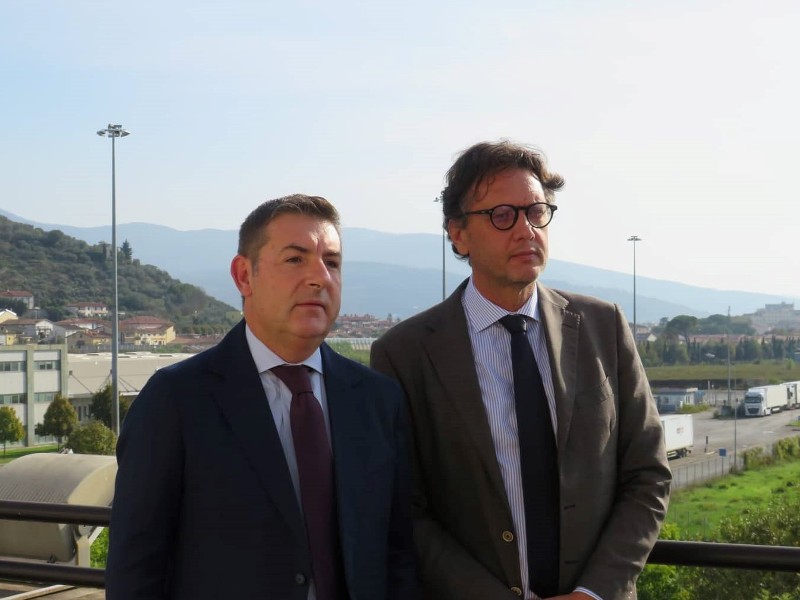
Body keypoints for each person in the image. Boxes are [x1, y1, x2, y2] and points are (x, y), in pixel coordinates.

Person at [370, 141, 671, 600]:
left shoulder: (603, 326)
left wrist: (594, 592)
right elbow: (405, 508)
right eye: (502, 216)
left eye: (536, 211)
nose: (526, 230)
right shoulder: (404, 354)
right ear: (458, 234)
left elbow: (647, 474)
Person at [107, 194, 417, 600]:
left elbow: (398, 552)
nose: (319, 277)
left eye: (332, 262)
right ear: (244, 276)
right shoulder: (176, 400)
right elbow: (135, 568)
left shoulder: (378, 400)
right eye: (295, 259)